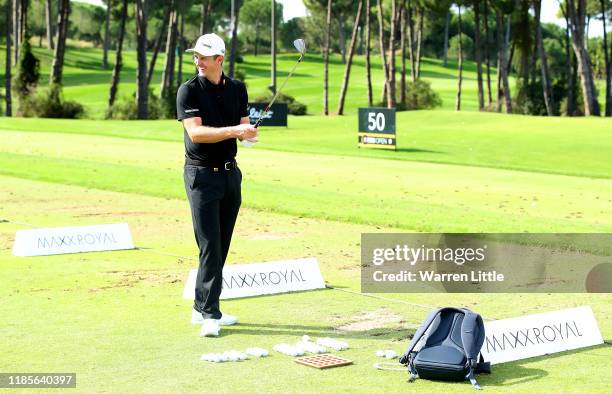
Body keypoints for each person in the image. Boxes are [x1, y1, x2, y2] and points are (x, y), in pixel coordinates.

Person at [176, 33, 257, 337]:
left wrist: (248, 135)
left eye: (203, 56)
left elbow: (244, 127)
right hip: (201, 175)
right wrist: (236, 130)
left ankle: (201, 307)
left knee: (220, 245)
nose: (197, 61)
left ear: (219, 60)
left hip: (229, 175)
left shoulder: (237, 89)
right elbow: (196, 134)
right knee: (209, 244)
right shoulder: (189, 91)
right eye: (195, 56)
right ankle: (211, 313)